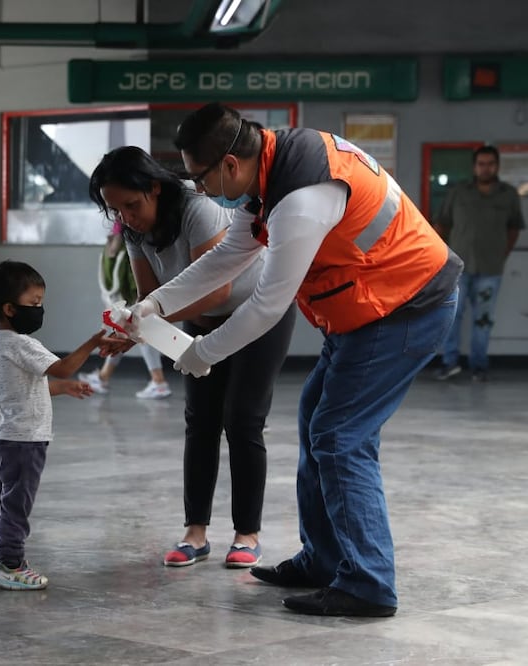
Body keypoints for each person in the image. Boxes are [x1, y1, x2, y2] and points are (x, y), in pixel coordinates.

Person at [133, 103, 462, 616]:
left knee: (338, 438)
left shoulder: (300, 198)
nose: (197, 190)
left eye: (199, 177)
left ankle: (368, 583)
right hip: (367, 309)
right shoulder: (274, 173)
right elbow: (228, 256)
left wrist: (203, 352)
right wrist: (156, 303)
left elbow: (266, 304)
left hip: (405, 306)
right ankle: (324, 559)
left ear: (229, 165)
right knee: (319, 422)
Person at [89, 146, 295, 571]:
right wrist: (132, 330)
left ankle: (247, 535)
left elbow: (216, 289)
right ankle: (195, 533)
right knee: (199, 419)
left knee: (242, 419)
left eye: (132, 205)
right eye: (116, 210)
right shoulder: (132, 230)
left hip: (256, 316)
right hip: (199, 319)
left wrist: (143, 320)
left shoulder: (196, 208)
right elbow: (150, 299)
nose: (126, 218)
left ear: (156, 189)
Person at [0, 260, 108, 590]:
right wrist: (93, 342)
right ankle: (12, 564)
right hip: (25, 441)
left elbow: (26, 389)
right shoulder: (22, 344)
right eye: (34, 304)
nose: (40, 310)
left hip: (6, 438)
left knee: (4, 500)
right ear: (10, 308)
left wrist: (63, 389)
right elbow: (64, 367)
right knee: (17, 504)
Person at [433, 145, 524, 382]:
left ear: (497, 166)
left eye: (490, 164)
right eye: (481, 164)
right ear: (474, 167)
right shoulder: (458, 193)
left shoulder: (508, 195)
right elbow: (441, 225)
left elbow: (514, 227)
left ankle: (479, 366)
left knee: (483, 320)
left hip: (491, 270)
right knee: (451, 317)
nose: (486, 168)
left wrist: (502, 253)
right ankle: (449, 363)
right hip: (458, 269)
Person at [79, 218, 172, 399]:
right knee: (125, 333)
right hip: (131, 296)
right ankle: (104, 377)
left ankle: (158, 381)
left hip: (133, 297)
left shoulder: (130, 241)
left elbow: (131, 276)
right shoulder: (125, 238)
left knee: (137, 332)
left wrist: (136, 300)